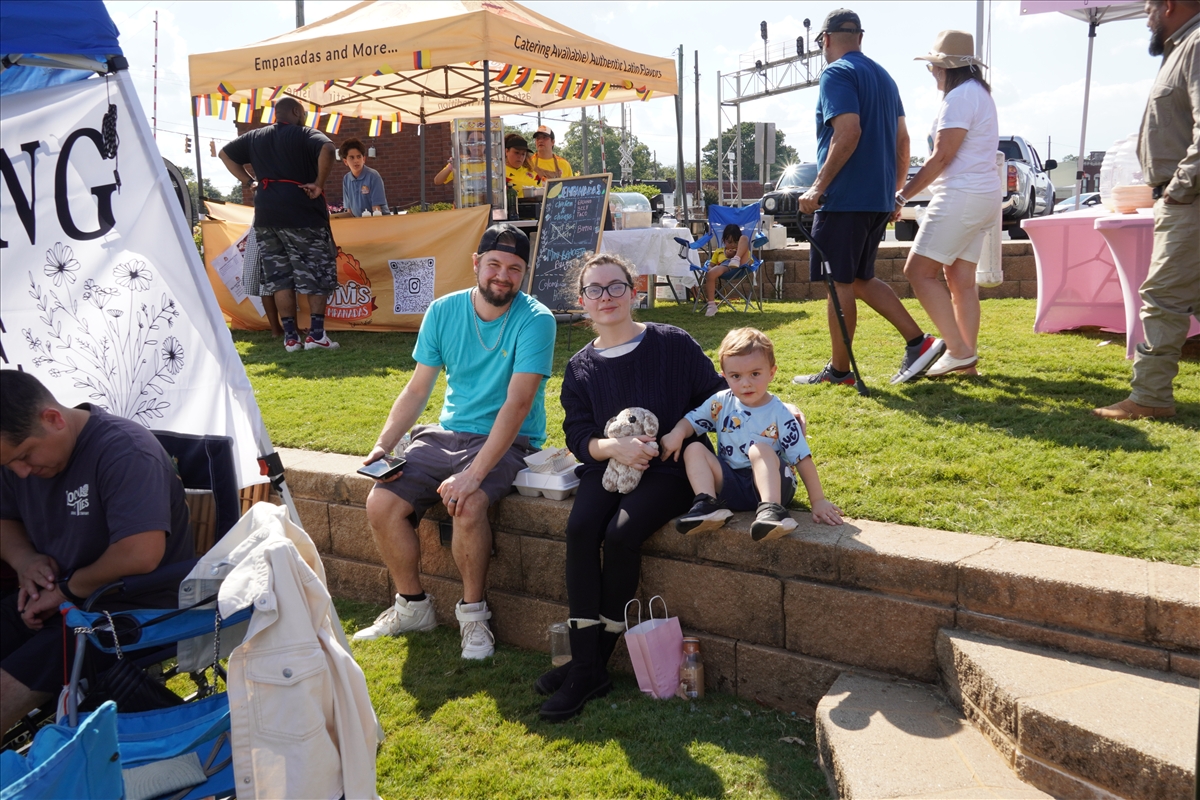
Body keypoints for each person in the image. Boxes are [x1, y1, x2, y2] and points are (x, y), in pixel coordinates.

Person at [538, 255, 809, 722]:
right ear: (582, 301)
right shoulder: (580, 367)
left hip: (671, 469)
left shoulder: (671, 343)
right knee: (581, 529)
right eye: (594, 289)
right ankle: (585, 663)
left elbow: (721, 396)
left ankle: (588, 666)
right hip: (609, 468)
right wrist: (613, 447)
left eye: (616, 286)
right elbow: (578, 434)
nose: (606, 297)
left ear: (634, 290)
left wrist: (782, 410)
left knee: (621, 534)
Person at [354, 224, 556, 660]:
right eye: (494, 264)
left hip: (508, 439)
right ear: (476, 263)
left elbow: (518, 403)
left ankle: (473, 616)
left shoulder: (537, 319)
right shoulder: (442, 310)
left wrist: (473, 475)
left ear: (524, 274)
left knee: (468, 503)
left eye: (515, 269)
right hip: (445, 434)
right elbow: (417, 389)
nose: (503, 276)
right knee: (380, 503)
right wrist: (382, 446)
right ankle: (412, 607)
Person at [0, 370, 192, 733]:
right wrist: (25, 560)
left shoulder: (124, 450)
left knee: (9, 685)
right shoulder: (19, 451)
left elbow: (140, 553)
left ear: (53, 419)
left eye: (24, 456)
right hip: (59, 600)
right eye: (9, 464)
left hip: (129, 610)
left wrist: (66, 590)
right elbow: (4, 518)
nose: (21, 472)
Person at [794, 8, 945, 388]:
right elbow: (903, 141)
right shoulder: (884, 77)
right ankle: (920, 342)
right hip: (877, 198)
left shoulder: (836, 73)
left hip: (845, 199)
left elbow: (848, 132)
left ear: (825, 39)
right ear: (860, 37)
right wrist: (895, 193)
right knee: (861, 278)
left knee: (838, 282)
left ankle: (840, 372)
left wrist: (817, 187)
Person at [1094, 0, 1199, 420]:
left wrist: (1179, 188)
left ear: (1169, 5)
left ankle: (1151, 398)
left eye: (1149, 7)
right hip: (1185, 198)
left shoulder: (1195, 45)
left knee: (1163, 298)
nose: (1146, 16)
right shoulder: (1185, 46)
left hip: (1189, 201)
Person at [662, 327, 843, 541]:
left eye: (755, 374)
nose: (746, 383)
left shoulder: (780, 413)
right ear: (725, 377)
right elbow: (692, 421)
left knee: (759, 450)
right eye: (736, 376)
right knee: (693, 448)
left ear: (771, 373)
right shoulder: (720, 402)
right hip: (732, 486)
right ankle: (708, 505)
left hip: (776, 485)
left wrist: (818, 500)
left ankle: (772, 511)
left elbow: (802, 458)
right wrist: (677, 432)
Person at [894, 30, 1001, 380]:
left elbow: (941, 157)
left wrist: (902, 195)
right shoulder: (978, 93)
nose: (932, 73)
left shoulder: (959, 97)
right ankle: (966, 360)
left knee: (918, 272)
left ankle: (957, 351)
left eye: (933, 67)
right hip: (982, 196)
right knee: (960, 280)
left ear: (945, 68)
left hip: (961, 195)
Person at [219, 96, 340, 353]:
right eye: (304, 113)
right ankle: (316, 335)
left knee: (279, 277)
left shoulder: (255, 136)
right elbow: (328, 149)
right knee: (316, 272)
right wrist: (318, 184)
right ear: (296, 112)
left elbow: (224, 154)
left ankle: (291, 338)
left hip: (266, 216)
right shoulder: (305, 134)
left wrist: (249, 181)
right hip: (303, 213)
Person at [700, 224, 751, 317]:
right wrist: (714, 271)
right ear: (724, 240)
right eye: (730, 242)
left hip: (741, 266)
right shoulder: (719, 251)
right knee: (711, 273)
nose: (733, 245)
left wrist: (736, 255)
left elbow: (750, 261)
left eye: (736, 242)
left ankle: (736, 258)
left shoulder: (741, 248)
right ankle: (711, 305)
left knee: (744, 238)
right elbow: (710, 266)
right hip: (725, 267)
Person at [338, 137, 388, 217]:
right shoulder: (346, 179)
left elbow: (377, 209)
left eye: (359, 157)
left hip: (378, 220)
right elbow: (349, 210)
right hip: (358, 222)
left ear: (363, 159)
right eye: (352, 157)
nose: (356, 161)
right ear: (345, 161)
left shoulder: (373, 176)